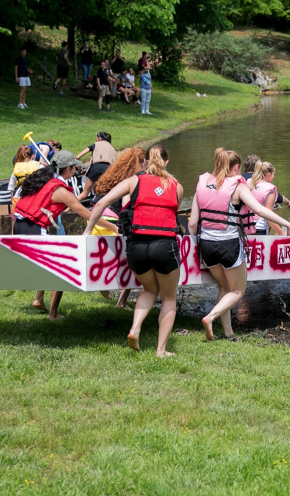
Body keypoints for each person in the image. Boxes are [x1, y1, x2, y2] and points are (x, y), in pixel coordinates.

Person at [189, 149, 290, 341]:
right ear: (236, 168)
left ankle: (228, 332)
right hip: (229, 245)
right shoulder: (238, 187)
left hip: (207, 246)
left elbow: (193, 223)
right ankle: (210, 318)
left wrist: (193, 248)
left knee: (224, 287)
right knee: (238, 291)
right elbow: (260, 210)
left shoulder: (202, 183)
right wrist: (288, 224)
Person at [84, 145, 181, 357]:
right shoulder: (176, 186)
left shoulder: (133, 181)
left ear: (144, 162)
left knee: (149, 290)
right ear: (166, 162)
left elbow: (101, 202)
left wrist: (88, 231)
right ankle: (161, 350)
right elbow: (172, 213)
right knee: (168, 298)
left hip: (137, 247)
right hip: (164, 246)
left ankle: (135, 329)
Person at [13, 151, 117, 320]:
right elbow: (87, 214)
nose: (76, 170)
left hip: (19, 226)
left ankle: (39, 299)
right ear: (69, 169)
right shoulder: (60, 190)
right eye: (75, 168)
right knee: (59, 268)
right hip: (34, 229)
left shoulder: (42, 180)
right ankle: (53, 314)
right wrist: (113, 226)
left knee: (49, 265)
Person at [91, 147, 147, 307]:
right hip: (111, 221)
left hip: (95, 218)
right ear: (142, 163)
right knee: (133, 261)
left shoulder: (112, 175)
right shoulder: (132, 179)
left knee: (103, 257)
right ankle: (121, 301)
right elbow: (125, 205)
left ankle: (103, 286)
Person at [240, 160, 283, 235]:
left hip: (244, 226)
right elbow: (268, 216)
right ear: (269, 174)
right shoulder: (270, 190)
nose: (274, 177)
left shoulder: (249, 182)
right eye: (274, 174)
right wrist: (281, 232)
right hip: (259, 228)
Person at [76, 132, 116, 200]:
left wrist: (79, 166)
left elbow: (78, 156)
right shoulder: (112, 148)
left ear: (99, 138)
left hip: (95, 168)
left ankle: (68, 208)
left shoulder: (95, 144)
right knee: (107, 193)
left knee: (84, 193)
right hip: (108, 169)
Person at [7, 144, 48, 212]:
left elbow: (11, 190)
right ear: (33, 156)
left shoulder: (16, 169)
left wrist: (13, 204)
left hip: (19, 199)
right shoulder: (38, 166)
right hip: (35, 199)